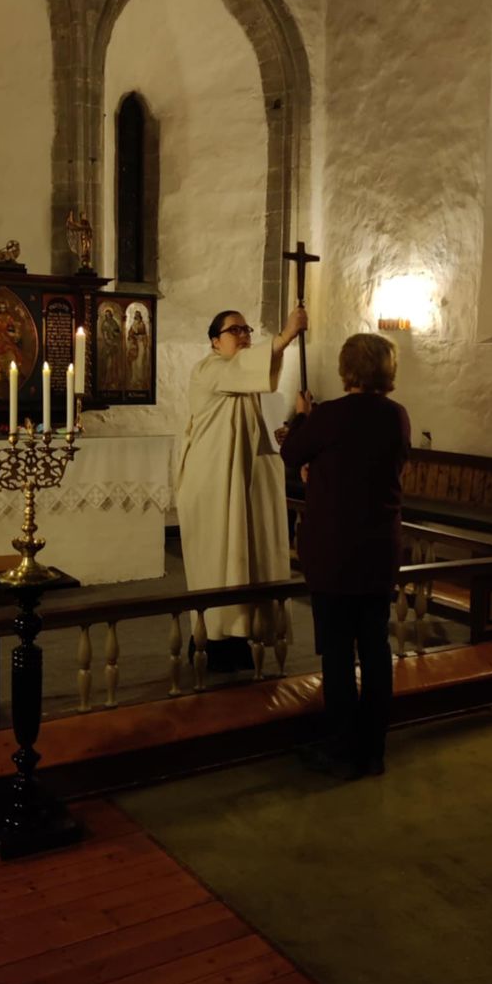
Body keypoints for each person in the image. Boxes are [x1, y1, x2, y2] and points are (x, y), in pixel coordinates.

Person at [279, 332, 410, 778]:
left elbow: (291, 452)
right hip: (378, 549)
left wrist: (303, 416)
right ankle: (373, 750)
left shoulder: (330, 414)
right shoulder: (396, 416)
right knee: (375, 649)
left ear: (347, 368)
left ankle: (341, 749)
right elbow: (372, 467)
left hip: (335, 550)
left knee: (337, 655)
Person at [177, 305, 307, 671]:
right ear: (214, 342)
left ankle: (239, 636)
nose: (244, 335)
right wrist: (286, 336)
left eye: (247, 329)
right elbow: (241, 371)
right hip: (213, 487)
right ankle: (211, 641)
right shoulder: (208, 370)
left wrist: (286, 430)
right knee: (218, 564)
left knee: (247, 560)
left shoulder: (248, 386)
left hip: (241, 486)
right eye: (234, 330)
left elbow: (255, 433)